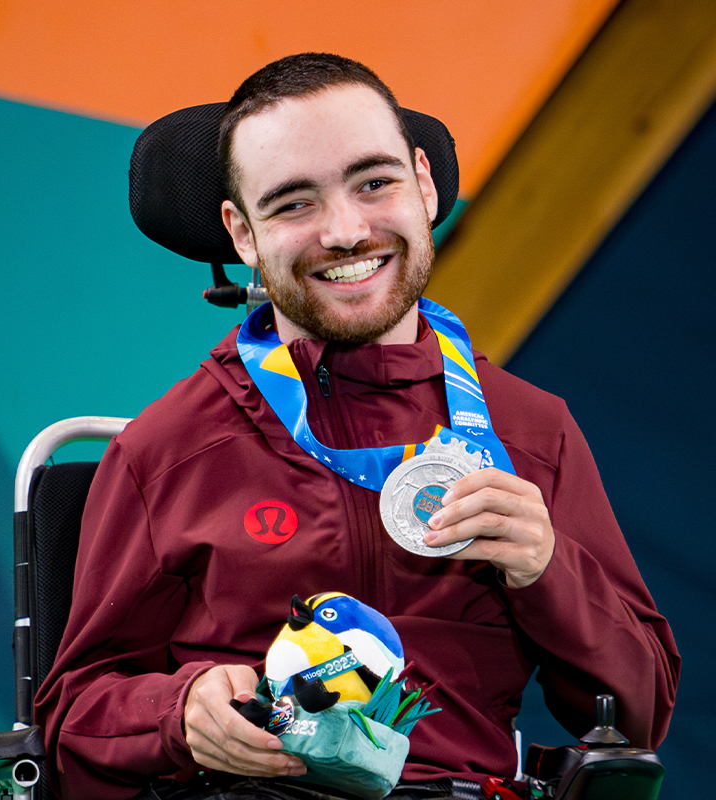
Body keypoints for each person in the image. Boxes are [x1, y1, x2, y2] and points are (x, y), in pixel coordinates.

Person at [34, 53, 680, 800]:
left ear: (424, 186)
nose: (346, 231)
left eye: (375, 183)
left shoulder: (533, 432)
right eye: (293, 204)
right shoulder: (167, 447)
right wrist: (176, 713)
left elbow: (640, 715)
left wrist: (548, 566)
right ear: (242, 235)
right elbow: (72, 716)